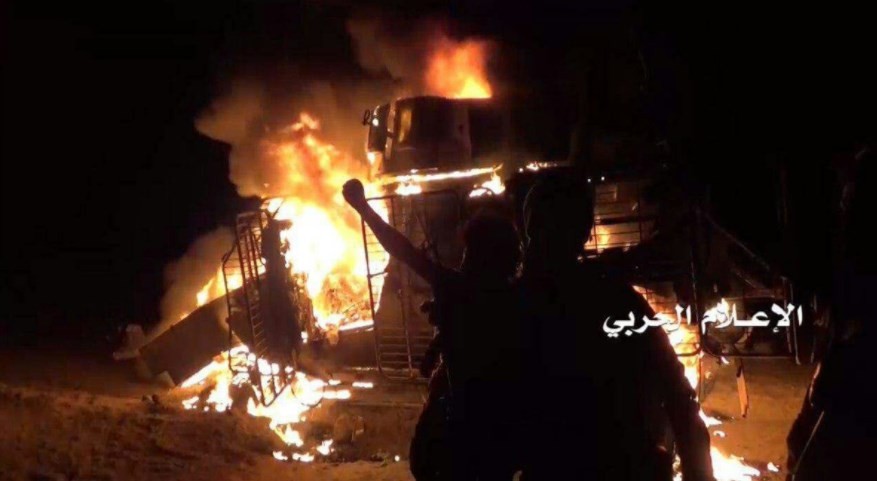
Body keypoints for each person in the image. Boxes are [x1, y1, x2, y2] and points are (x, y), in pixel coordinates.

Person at [519, 172, 714, 481]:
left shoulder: (516, 306)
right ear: (584, 233)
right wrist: (698, 471)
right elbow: (676, 393)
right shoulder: (615, 299)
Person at [342, 178, 526, 480]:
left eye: (468, 252)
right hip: (502, 425)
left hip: (461, 421)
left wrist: (363, 207)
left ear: (478, 256)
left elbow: (403, 250)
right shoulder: (518, 296)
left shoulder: (457, 288)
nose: (462, 258)